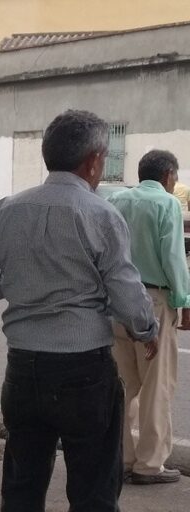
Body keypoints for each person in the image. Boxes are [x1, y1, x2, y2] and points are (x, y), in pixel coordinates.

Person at [0, 110, 158, 512]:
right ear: (94, 161)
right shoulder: (101, 214)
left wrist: (5, 286)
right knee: (93, 491)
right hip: (84, 370)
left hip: (23, 369)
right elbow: (127, 294)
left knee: (22, 488)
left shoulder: (8, 209)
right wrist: (146, 329)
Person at [108, 150, 190, 485]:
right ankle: (150, 464)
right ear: (168, 175)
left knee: (123, 385)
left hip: (116, 301)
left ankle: (122, 458)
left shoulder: (115, 200)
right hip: (153, 301)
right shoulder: (166, 204)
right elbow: (173, 258)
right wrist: (184, 300)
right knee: (156, 386)